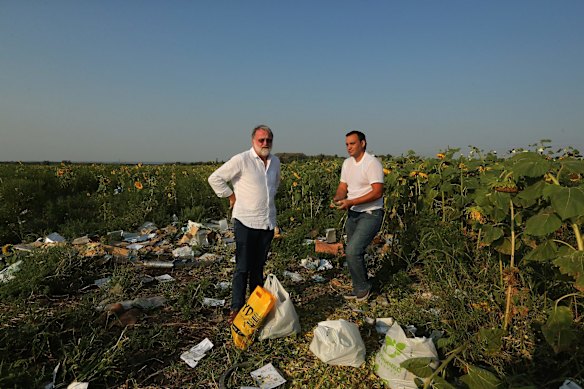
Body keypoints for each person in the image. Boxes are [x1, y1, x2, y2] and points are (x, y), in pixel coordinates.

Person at [208, 125, 281, 323]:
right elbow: (215, 178)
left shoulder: (275, 162)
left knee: (258, 267)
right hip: (245, 221)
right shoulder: (242, 159)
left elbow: (274, 187)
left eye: (268, 140)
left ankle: (256, 307)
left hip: (266, 222)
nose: (265, 143)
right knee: (242, 267)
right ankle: (236, 308)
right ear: (253, 141)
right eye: (261, 140)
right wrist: (231, 195)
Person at [333, 130, 384, 301]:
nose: (349, 147)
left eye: (352, 143)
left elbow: (377, 192)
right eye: (347, 144)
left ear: (363, 143)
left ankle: (363, 289)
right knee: (353, 252)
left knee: (353, 250)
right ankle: (359, 288)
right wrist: (339, 198)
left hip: (371, 213)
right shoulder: (347, 164)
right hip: (353, 213)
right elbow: (343, 186)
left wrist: (351, 201)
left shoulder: (372, 163)